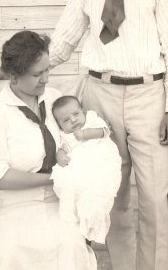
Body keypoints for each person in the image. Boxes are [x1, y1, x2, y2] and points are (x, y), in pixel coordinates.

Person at [0, 0, 168, 269]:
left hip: (149, 95)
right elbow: (61, 46)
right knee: (110, 191)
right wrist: (13, 70)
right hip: (100, 94)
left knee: (154, 197)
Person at [0, 31, 97, 270]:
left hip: (56, 205)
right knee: (14, 251)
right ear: (13, 77)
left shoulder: (55, 100)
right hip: (7, 209)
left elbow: (75, 143)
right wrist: (53, 178)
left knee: (71, 246)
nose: (46, 79)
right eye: (37, 74)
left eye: (47, 70)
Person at [51, 95, 122, 244]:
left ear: (83, 111)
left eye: (76, 114)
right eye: (65, 120)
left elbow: (104, 131)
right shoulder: (65, 135)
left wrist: (85, 134)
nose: (73, 120)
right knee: (71, 185)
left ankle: (93, 217)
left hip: (102, 159)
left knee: (98, 189)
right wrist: (60, 155)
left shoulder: (91, 119)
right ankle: (77, 219)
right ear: (59, 125)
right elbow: (63, 148)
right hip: (82, 167)